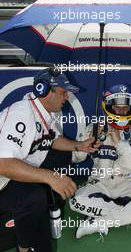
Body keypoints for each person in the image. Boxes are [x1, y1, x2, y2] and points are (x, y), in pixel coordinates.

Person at [0, 68, 99, 252]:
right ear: (43, 90)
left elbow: (52, 139)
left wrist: (79, 145)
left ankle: (50, 208)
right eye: (63, 92)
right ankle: (24, 247)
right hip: (3, 182)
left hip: (9, 177)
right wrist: (51, 177)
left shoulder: (44, 113)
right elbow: (3, 164)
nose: (67, 97)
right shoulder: (21, 115)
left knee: (62, 156)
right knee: (34, 196)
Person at [69, 83, 131, 239]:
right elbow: (75, 158)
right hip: (98, 184)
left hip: (125, 184)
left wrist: (120, 143)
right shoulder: (93, 128)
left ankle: (100, 222)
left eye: (126, 108)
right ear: (108, 107)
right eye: (117, 107)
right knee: (75, 201)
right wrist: (86, 142)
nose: (121, 111)